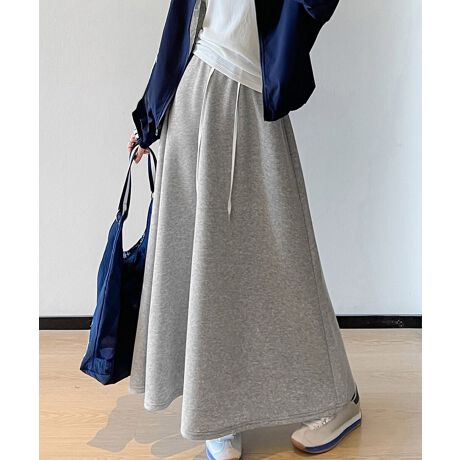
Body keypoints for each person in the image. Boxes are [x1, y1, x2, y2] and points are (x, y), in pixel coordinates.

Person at [127, 1, 362, 458]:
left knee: (285, 261)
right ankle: (217, 412)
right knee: (203, 266)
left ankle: (336, 397)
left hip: (250, 98)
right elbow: (181, 23)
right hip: (191, 95)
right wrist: (149, 117)